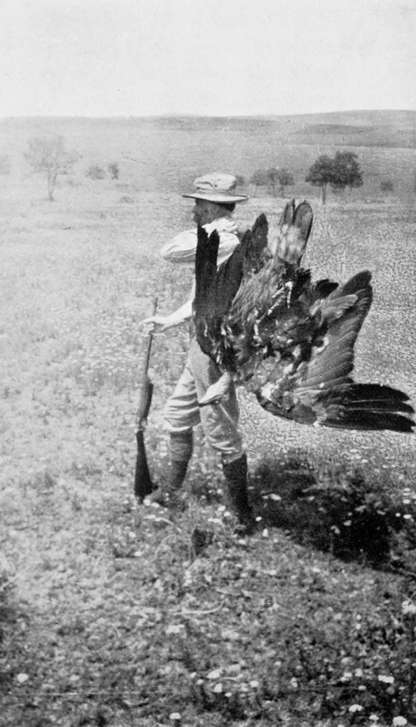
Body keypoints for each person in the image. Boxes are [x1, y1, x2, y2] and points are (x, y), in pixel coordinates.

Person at [143, 172, 255, 534]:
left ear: (209, 207)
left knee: (221, 431)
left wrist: (212, 228)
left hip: (218, 349)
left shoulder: (224, 241)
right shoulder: (215, 240)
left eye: (197, 205)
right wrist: (170, 320)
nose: (193, 211)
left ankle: (241, 517)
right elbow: (201, 297)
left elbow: (168, 251)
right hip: (201, 344)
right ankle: (173, 493)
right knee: (176, 415)